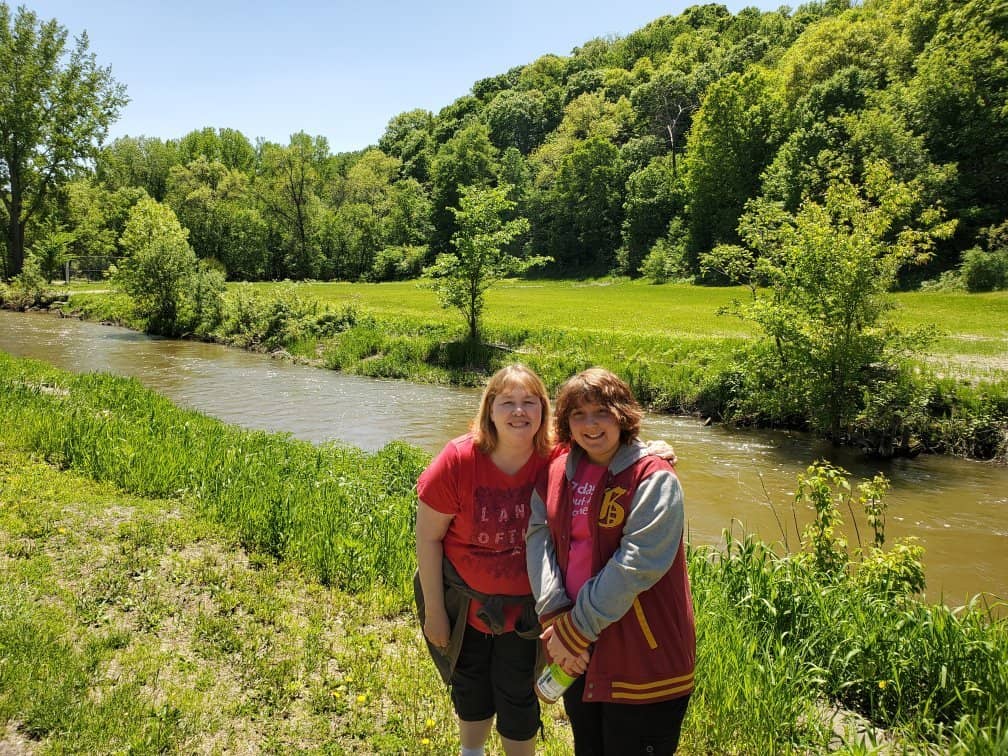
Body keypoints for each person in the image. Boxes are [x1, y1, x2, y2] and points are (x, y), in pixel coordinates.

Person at [526, 367, 695, 756]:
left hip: (643, 662)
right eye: (578, 414)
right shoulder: (556, 470)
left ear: (622, 414)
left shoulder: (654, 476)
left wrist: (573, 631)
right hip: (578, 652)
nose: (591, 425)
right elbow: (538, 537)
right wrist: (554, 613)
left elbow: (637, 563)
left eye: (601, 412)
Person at [415, 364, 551, 756]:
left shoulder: (557, 457)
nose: (519, 411)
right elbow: (428, 537)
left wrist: (650, 453)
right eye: (507, 402)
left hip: (527, 614)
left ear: (543, 410)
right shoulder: (458, 460)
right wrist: (435, 612)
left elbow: (606, 449)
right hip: (464, 606)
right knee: (470, 686)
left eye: (530, 401)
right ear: (489, 409)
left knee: (519, 695)